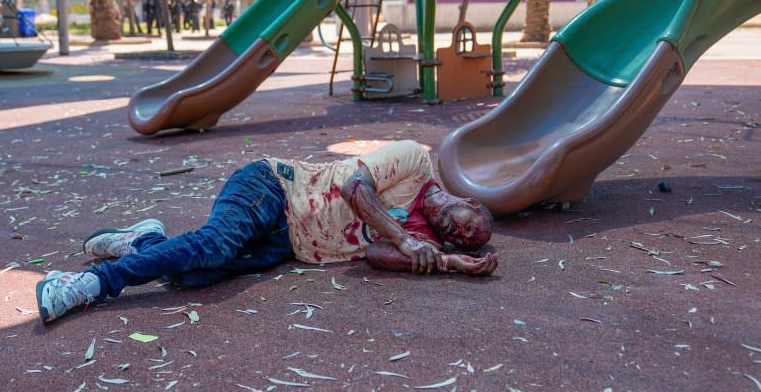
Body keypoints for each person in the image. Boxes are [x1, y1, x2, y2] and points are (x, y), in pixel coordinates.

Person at [36, 140, 497, 324]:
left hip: (287, 244)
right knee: (214, 245)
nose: (456, 233)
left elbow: (376, 256)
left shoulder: (430, 240)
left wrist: (448, 262)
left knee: (192, 277)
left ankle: (143, 241)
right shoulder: (416, 160)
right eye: (467, 225)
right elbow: (357, 186)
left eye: (462, 241)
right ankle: (92, 284)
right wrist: (404, 238)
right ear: (469, 202)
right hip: (274, 188)